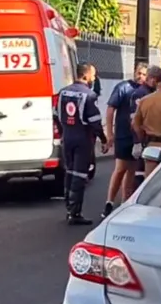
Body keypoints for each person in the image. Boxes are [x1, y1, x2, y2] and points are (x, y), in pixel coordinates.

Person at [54, 63, 107, 225]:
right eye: (93, 75)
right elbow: (95, 122)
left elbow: (56, 115)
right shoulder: (89, 95)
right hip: (82, 139)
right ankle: (75, 213)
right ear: (85, 75)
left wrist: (64, 133)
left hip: (68, 137)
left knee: (69, 173)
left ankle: (69, 208)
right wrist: (103, 139)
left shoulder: (63, 92)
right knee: (79, 175)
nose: (94, 78)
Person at [102, 63, 147, 218]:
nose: (140, 76)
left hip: (136, 136)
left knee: (132, 170)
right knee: (120, 168)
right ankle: (109, 202)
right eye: (139, 73)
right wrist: (110, 132)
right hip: (122, 134)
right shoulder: (124, 87)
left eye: (144, 74)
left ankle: (124, 203)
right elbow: (110, 109)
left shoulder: (147, 92)